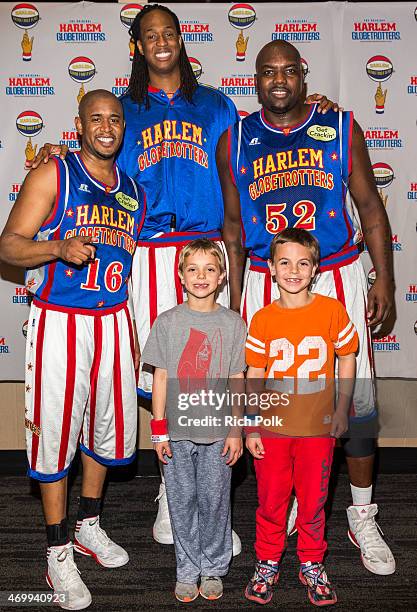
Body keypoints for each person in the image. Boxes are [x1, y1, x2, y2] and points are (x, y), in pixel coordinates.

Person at [29, 3, 338, 553]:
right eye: (149, 36)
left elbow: (266, 138)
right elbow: (91, 165)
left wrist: (315, 110)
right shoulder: (123, 111)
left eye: (168, 33)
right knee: (163, 374)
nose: (161, 42)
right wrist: (56, 148)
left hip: (204, 248)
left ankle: (209, 496)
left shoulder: (217, 105)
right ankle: (173, 494)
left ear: (181, 40)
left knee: (212, 368)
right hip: (145, 252)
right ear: (138, 48)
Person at [216, 39, 396, 576]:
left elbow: (369, 206)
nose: (277, 80)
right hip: (265, 279)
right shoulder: (237, 139)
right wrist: (232, 302)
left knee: (354, 401)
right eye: (266, 71)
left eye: (287, 70)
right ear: (255, 79)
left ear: (302, 74)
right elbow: (230, 226)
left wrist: (383, 277)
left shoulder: (340, 126)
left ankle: (362, 515)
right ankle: (290, 501)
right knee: (275, 404)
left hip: (335, 273)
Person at [0, 90, 146, 611]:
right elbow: (9, 244)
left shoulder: (132, 190)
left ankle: (88, 525)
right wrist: (57, 247)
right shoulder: (54, 174)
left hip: (112, 321)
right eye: (95, 119)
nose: (106, 128)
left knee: (104, 431)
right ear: (79, 125)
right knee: (55, 438)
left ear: (123, 127)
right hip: (61, 323)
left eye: (114, 120)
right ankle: (56, 550)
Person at [245, 228, 358, 606]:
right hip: (274, 428)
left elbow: (347, 355)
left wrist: (342, 408)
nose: (294, 270)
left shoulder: (331, 311)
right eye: (285, 263)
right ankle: (267, 560)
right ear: (271, 270)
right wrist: (251, 423)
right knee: (272, 500)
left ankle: (311, 561)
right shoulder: (262, 319)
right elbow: (255, 374)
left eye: (303, 263)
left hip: (317, 429)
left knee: (313, 501)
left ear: (315, 269)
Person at [141, 239, 246, 602]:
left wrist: (236, 428)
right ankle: (186, 568)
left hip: (219, 432)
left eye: (210, 269)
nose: (201, 276)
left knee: (215, 501)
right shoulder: (167, 322)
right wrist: (158, 431)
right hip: (177, 431)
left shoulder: (234, 324)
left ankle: (213, 567)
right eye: (193, 269)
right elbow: (161, 378)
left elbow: (237, 378)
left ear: (221, 278)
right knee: (182, 502)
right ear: (182, 277)